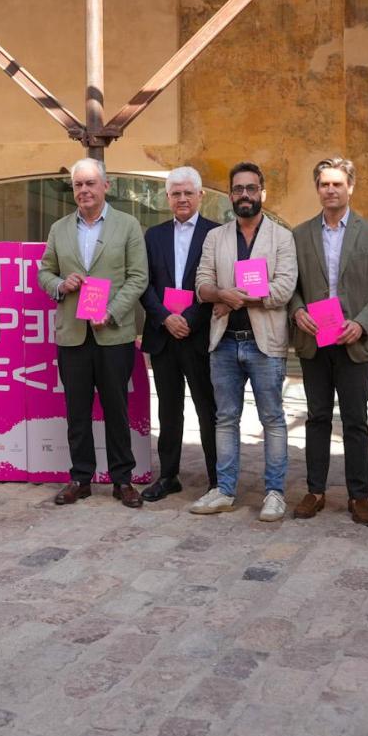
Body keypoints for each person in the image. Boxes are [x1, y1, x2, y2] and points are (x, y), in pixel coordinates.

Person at [290, 157, 368, 526]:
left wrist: (364, 324)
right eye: (324, 184)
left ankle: (359, 495)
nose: (330, 190)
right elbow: (291, 286)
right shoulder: (300, 235)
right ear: (317, 188)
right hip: (314, 342)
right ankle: (315, 490)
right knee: (317, 417)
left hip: (353, 341)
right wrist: (297, 310)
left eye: (337, 184)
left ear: (350, 187)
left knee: (355, 420)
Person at [38, 158, 150, 509]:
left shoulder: (128, 225)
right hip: (73, 334)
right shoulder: (59, 229)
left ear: (106, 186)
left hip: (113, 334)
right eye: (78, 185)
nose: (84, 190)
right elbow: (44, 272)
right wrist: (60, 284)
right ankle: (80, 477)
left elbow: (138, 278)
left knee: (117, 409)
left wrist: (112, 312)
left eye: (90, 184)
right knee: (77, 410)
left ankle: (122, 480)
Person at [190, 161, 297, 522]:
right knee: (225, 419)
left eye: (251, 189)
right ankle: (224, 489)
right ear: (231, 195)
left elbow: (284, 289)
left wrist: (235, 298)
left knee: (273, 419)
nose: (245, 195)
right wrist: (218, 292)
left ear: (262, 194)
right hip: (223, 343)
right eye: (238, 189)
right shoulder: (215, 237)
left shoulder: (282, 238)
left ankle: (274, 493)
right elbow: (201, 283)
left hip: (264, 344)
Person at [138, 166, 220, 502]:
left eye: (188, 192)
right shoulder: (153, 236)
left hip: (199, 335)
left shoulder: (217, 234)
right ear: (168, 198)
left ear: (201, 196)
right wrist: (165, 318)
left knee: (208, 409)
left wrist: (188, 319)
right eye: (176, 193)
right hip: (163, 335)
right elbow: (143, 285)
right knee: (168, 410)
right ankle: (168, 475)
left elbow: (217, 284)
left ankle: (218, 479)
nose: (182, 198)